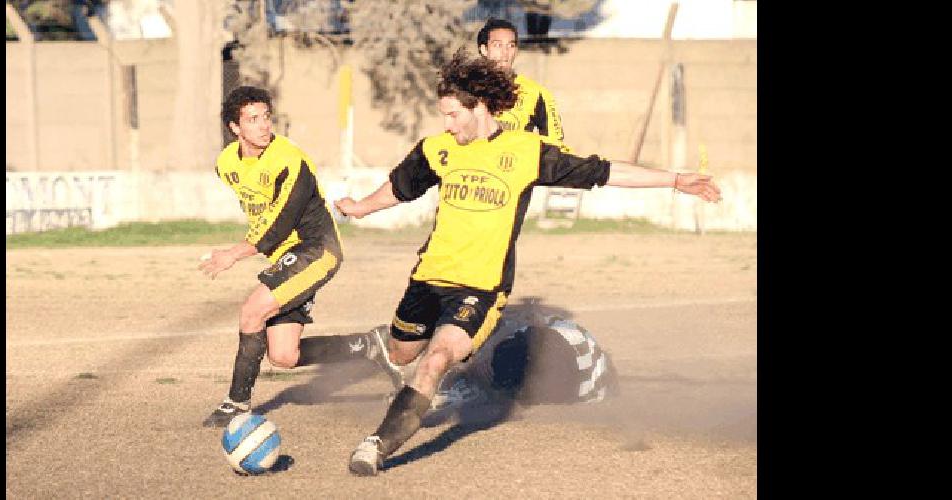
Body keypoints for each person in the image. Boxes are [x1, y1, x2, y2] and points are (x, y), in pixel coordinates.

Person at [334, 49, 721, 476]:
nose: (446, 124)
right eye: (442, 115)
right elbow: (399, 187)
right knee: (402, 353)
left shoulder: (526, 151)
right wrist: (361, 208)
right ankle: (388, 346)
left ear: (479, 107)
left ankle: (375, 446)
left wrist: (674, 179)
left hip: (480, 288)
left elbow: (604, 171)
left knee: (436, 360)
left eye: (452, 114)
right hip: (427, 279)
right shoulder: (438, 149)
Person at [199, 86, 403, 428]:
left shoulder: (290, 160)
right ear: (235, 128)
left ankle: (236, 403)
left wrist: (233, 254)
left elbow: (278, 225)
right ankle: (371, 345)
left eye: (266, 117)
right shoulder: (225, 165)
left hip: (315, 249)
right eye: (253, 119)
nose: (264, 125)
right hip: (285, 258)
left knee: (252, 312)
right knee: (283, 356)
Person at [420, 299, 619, 426]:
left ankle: (492, 384)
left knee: (494, 372)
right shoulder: (563, 344)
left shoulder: (512, 345)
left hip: (565, 363)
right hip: (572, 366)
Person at [478, 18, 563, 142]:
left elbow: (555, 145)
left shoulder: (535, 93)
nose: (505, 52)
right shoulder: (467, 88)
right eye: (498, 45)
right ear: (484, 49)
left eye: (511, 46)